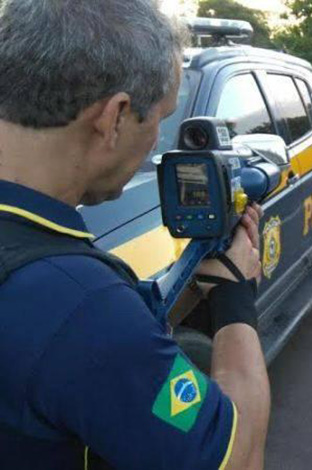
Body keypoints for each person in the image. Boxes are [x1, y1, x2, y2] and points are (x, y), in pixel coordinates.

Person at [0, 1, 270, 469]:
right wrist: (233, 294)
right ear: (116, 116)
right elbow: (237, 456)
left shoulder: (67, 293)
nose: (157, 140)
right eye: (160, 119)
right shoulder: (79, 305)